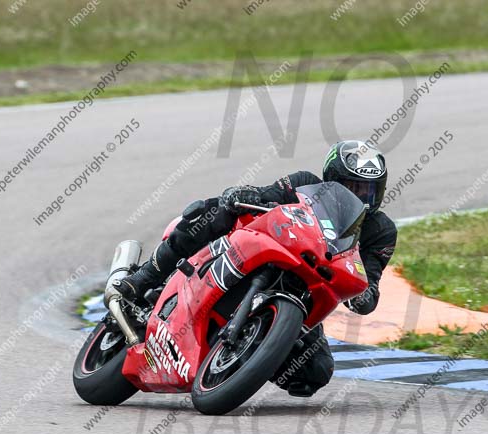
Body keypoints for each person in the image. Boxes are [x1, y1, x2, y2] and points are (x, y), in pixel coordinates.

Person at [114, 140, 398, 397]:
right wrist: (245, 194)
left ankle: (249, 356)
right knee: (214, 211)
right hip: (264, 253)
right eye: (353, 188)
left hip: (306, 289)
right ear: (332, 179)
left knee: (316, 371)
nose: (362, 197)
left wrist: (362, 294)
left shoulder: (380, 231)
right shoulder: (304, 183)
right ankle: (144, 277)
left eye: (370, 191)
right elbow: (266, 195)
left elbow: (370, 279)